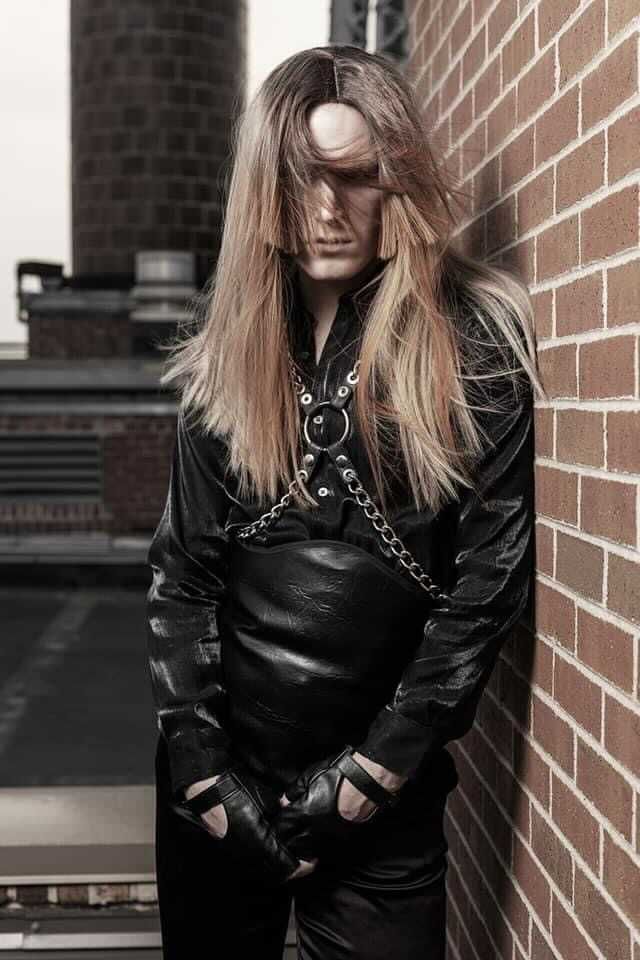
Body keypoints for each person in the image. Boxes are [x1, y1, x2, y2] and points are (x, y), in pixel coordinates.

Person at [146, 43, 543, 960]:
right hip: (217, 791)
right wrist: (204, 777)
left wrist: (379, 770)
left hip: (379, 804)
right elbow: (183, 573)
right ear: (265, 192)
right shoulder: (229, 352)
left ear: (396, 182)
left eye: (357, 177)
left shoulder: (470, 342)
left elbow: (487, 583)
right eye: (301, 180)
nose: (327, 212)